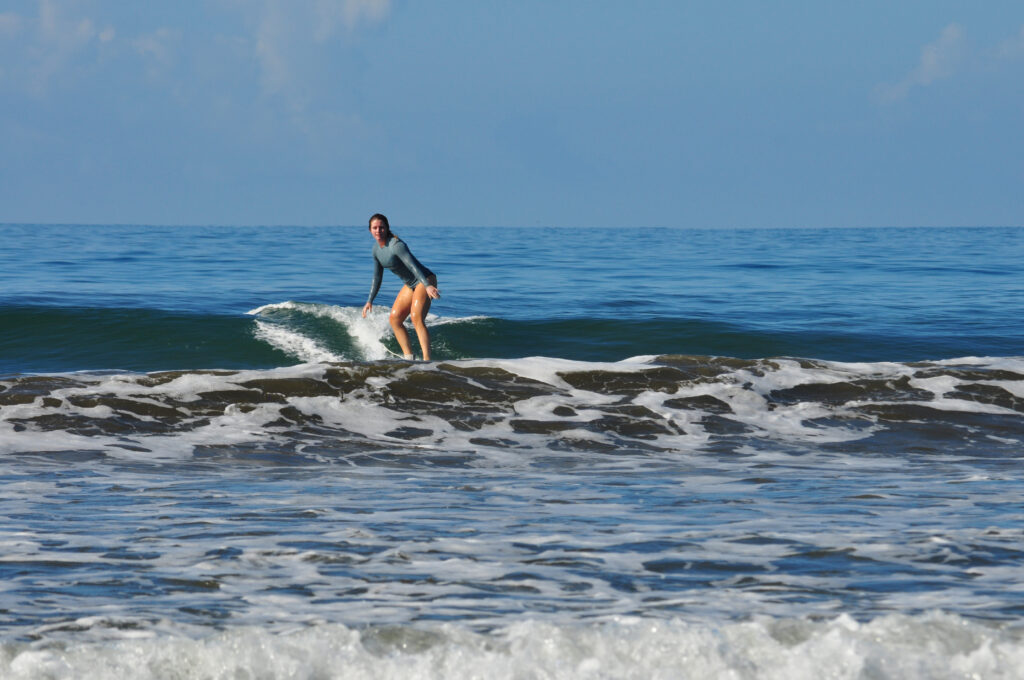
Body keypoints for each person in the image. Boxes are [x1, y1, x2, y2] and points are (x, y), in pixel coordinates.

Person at [361, 213, 441, 360]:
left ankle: (427, 361)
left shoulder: (397, 245)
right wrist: (369, 300)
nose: (378, 231)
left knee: (417, 318)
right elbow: (377, 277)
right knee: (395, 319)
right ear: (370, 230)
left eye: (381, 227)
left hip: (424, 279)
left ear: (387, 228)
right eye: (375, 228)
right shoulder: (376, 250)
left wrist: (428, 285)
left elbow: (413, 266)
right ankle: (409, 357)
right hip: (410, 284)